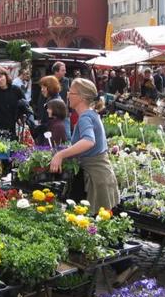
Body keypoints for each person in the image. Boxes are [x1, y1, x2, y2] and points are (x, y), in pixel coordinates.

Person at [49, 78, 119, 212]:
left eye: (71, 92)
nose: (68, 95)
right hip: (100, 176)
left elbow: (89, 141)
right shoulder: (92, 114)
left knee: (87, 223)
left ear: (81, 97)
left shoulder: (85, 117)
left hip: (94, 178)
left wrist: (60, 154)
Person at [33, 75, 61, 143]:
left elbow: (52, 123)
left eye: (43, 87)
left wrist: (38, 128)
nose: (42, 90)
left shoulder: (55, 101)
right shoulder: (50, 99)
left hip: (50, 136)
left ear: (50, 87)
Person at [52, 61, 71, 137]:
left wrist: (70, 109)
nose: (65, 72)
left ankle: (68, 147)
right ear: (56, 71)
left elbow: (69, 95)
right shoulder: (50, 81)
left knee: (67, 134)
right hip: (53, 112)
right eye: (63, 70)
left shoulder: (67, 81)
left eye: (65, 70)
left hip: (64, 111)